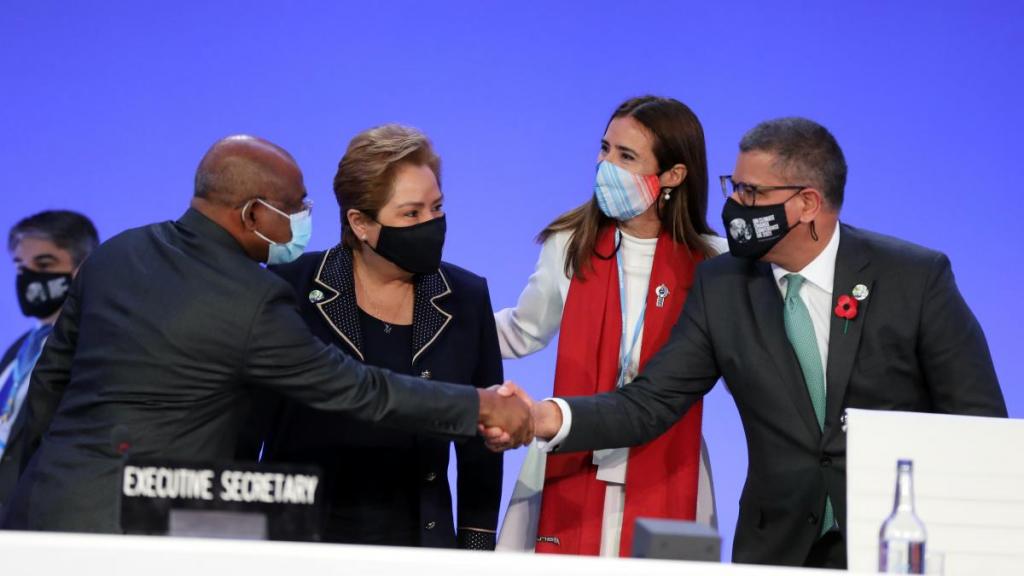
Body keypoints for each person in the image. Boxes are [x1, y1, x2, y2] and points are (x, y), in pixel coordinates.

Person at [492, 117, 1007, 568]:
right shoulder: (723, 285)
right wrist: (544, 417)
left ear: (808, 203)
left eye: (752, 194)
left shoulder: (914, 279)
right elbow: (652, 402)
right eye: (733, 187)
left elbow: (978, 426)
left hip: (893, 547)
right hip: (778, 550)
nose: (735, 206)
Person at [0, 135, 531, 533]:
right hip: (147, 531)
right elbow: (358, 390)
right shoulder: (257, 297)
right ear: (254, 214)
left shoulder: (117, 253)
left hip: (51, 509)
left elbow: (46, 393)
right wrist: (479, 406)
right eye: (296, 207)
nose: (303, 219)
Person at [245, 125, 502, 549]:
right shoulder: (288, 289)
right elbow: (248, 429)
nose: (432, 224)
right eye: (411, 213)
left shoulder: (466, 298)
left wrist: (477, 554)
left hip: (422, 548)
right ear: (360, 223)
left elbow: (481, 451)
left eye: (437, 208)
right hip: (301, 546)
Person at [494, 96, 726, 557]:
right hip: (568, 448)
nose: (606, 165)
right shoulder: (570, 242)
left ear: (673, 176)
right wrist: (445, 324)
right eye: (605, 149)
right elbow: (524, 329)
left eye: (626, 157)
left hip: (668, 461)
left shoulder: (713, 262)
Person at [0, 211, 99, 511]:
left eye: (44, 264)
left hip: (36, 516)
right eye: (20, 266)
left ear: (83, 267)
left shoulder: (94, 345)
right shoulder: (18, 349)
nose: (28, 277)